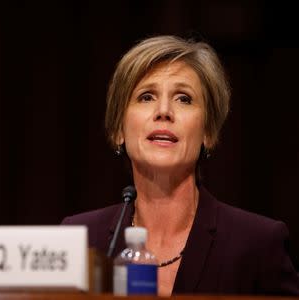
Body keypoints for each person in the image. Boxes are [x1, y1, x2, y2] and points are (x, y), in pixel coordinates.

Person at [61, 35, 299, 296]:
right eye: (146, 96)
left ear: (208, 133)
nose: (164, 111)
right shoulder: (79, 239)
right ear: (119, 129)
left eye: (183, 98)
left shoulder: (257, 244)